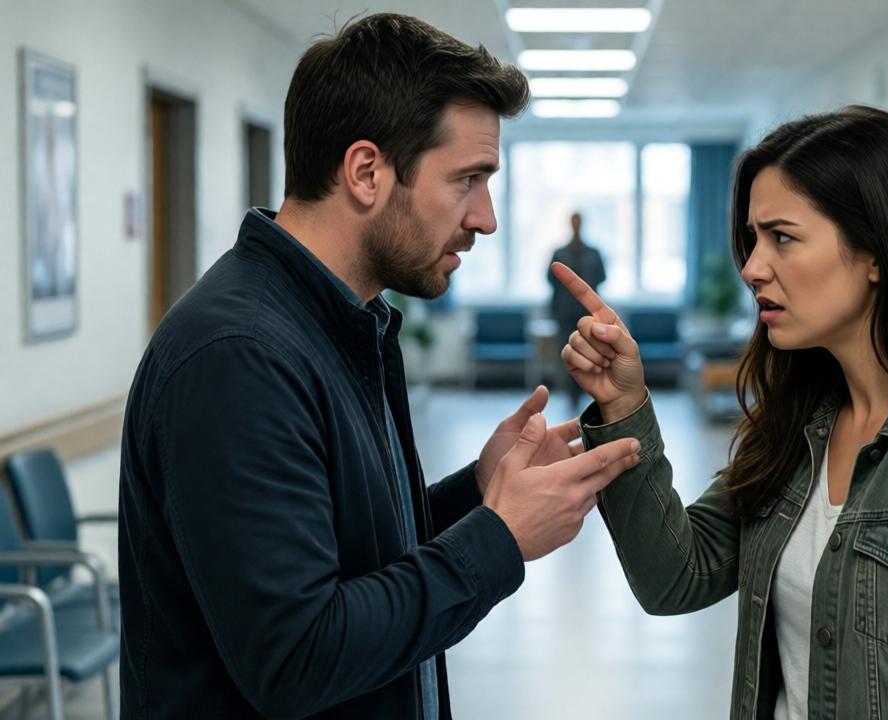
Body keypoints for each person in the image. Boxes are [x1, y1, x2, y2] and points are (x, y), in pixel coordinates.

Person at [118, 14, 639, 719]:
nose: (485, 218)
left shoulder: (342, 323)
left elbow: (353, 558)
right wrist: (499, 538)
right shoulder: (239, 358)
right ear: (367, 172)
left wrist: (478, 492)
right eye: (468, 180)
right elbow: (298, 655)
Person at [552, 105, 888, 719]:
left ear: (878, 249)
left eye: (783, 237)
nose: (751, 268)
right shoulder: (799, 427)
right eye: (752, 239)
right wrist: (624, 404)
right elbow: (677, 575)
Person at [547, 212, 607, 410]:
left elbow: (602, 277)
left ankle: (584, 391)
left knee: (587, 354)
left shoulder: (594, 253)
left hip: (587, 313)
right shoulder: (559, 253)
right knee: (566, 353)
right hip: (563, 313)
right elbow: (550, 280)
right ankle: (570, 393)